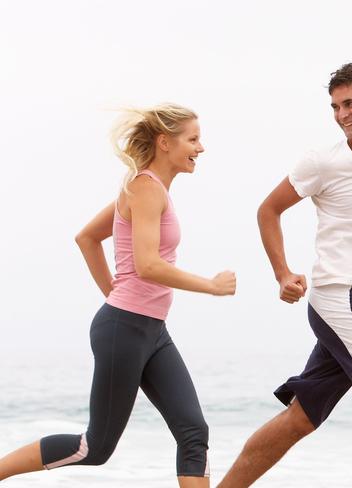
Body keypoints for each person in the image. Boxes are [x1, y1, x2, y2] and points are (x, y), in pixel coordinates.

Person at [217, 63, 352, 488]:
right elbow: (268, 210)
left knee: (302, 417)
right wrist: (282, 273)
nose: (341, 114)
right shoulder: (323, 161)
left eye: (349, 104)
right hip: (338, 297)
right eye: (335, 106)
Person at [0, 104, 236, 488]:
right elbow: (147, 265)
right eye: (193, 139)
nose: (201, 148)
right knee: (95, 448)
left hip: (150, 330)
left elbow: (88, 238)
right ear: (164, 142)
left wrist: (116, 292)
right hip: (125, 329)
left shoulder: (146, 188)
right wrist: (210, 285)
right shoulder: (143, 188)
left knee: (193, 430)